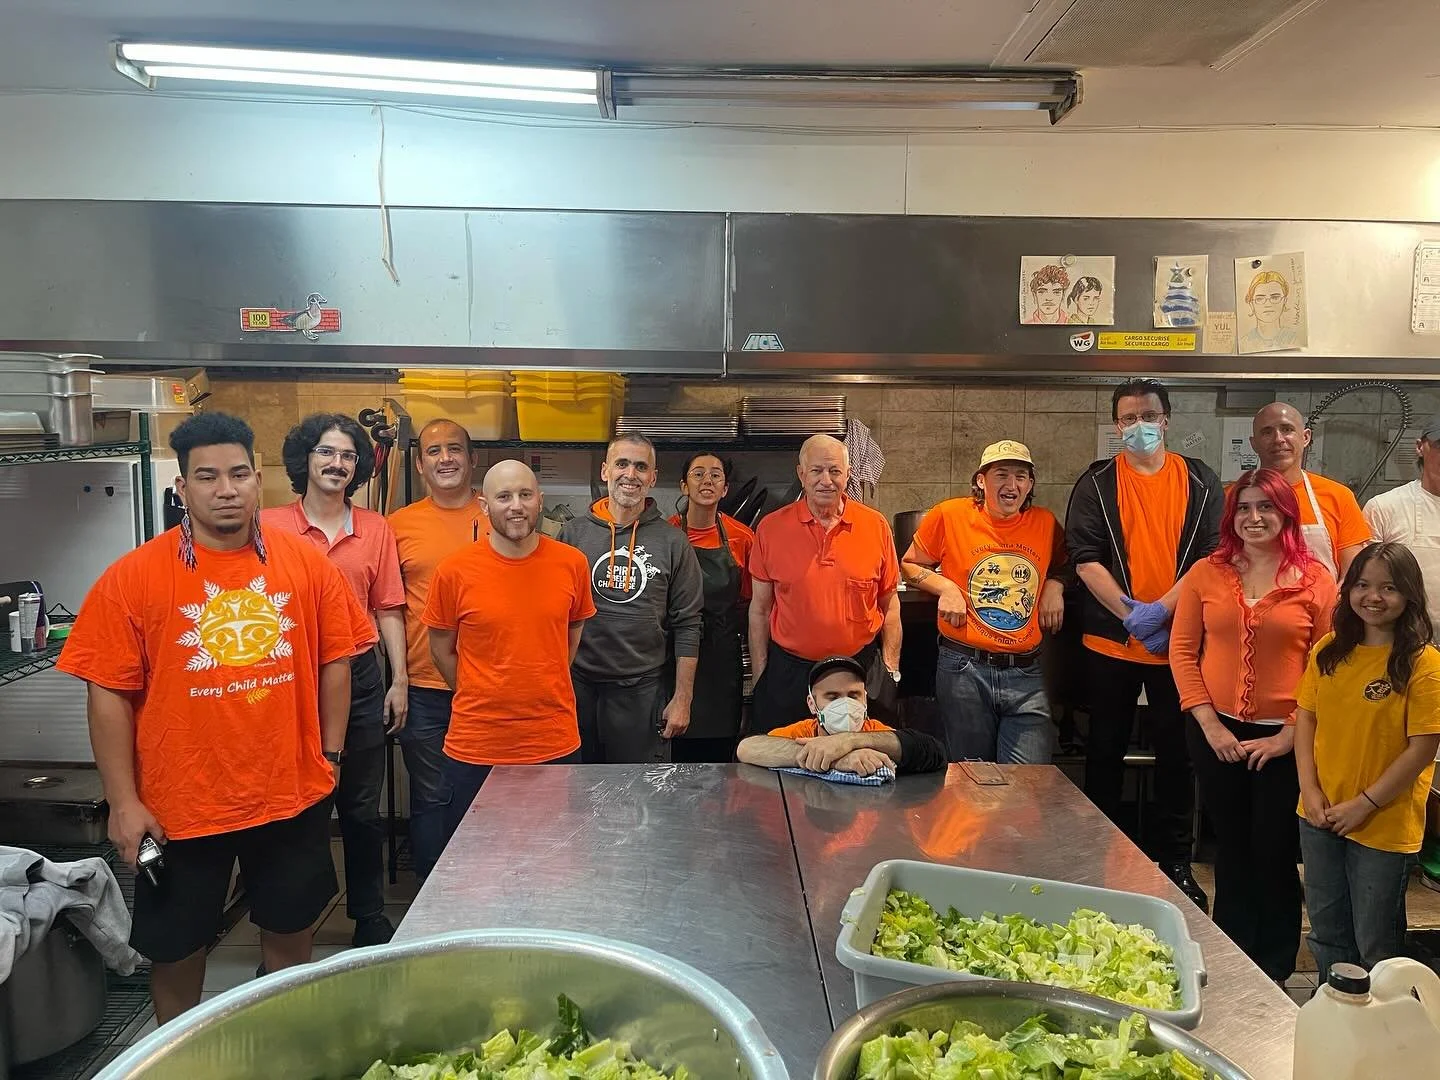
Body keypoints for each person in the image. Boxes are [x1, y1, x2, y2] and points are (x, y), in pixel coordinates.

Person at [56, 413, 373, 1024]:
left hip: (290, 795)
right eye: (207, 477)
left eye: (237, 475)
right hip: (180, 807)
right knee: (177, 950)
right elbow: (109, 696)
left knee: (291, 934)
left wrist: (329, 756)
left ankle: (288, 1052)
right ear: (183, 488)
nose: (224, 489)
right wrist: (124, 802)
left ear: (258, 480)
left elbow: (338, 659)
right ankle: (182, 1056)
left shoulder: (305, 565)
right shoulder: (134, 577)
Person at [1169, 468, 1337, 982]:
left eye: (1266, 506)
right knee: (1232, 850)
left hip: (1289, 740)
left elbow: (1327, 663)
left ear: (1287, 513)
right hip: (1215, 733)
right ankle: (1232, 964)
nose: (1254, 517)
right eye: (1244, 507)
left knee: (1275, 852)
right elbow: (1182, 652)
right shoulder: (1207, 573)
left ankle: (1276, 968)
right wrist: (1210, 726)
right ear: (1232, 516)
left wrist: (1290, 732)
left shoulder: (1316, 580)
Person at [1065, 378, 1223, 911]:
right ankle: (1099, 855)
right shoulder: (1096, 483)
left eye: (1148, 416)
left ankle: (1174, 862)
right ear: (1117, 426)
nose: (1139, 426)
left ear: (1167, 419)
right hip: (1110, 643)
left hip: (1179, 644)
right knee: (1104, 750)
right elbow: (1085, 559)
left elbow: (1210, 555)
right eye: (1129, 418)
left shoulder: (1200, 482)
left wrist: (1165, 614)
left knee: (1177, 755)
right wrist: (1133, 615)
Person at [261, 412, 406, 948]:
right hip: (290, 680)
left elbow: (388, 607)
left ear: (359, 466)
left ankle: (367, 916)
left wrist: (400, 681)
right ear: (306, 458)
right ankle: (290, 927)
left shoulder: (375, 530)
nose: (337, 463)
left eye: (347, 455)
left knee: (361, 807)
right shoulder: (268, 527)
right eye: (327, 452)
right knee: (297, 807)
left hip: (362, 675)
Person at [424, 460, 595, 839]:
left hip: (553, 743)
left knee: (552, 862)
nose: (516, 505)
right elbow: (440, 650)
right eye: (504, 497)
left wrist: (541, 679)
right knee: (475, 870)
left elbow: (572, 633)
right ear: (485, 506)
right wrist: (481, 689)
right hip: (476, 746)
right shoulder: (454, 571)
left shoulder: (572, 564)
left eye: (525, 494)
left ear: (539, 500)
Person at [1294, 541, 1440, 975]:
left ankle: (1382, 1032)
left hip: (1382, 823)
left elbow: (1423, 747)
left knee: (1375, 943)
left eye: (1388, 588)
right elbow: (1306, 720)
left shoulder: (1422, 663)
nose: (1373, 597)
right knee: (1326, 934)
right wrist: (1310, 790)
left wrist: (1364, 804)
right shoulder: (1329, 650)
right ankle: (1333, 1021)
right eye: (1362, 585)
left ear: (1409, 595)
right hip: (1320, 816)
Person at [901, 440, 1066, 764]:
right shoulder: (950, 515)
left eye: (1021, 476)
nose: (1012, 484)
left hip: (1027, 672)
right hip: (964, 670)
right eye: (1001, 474)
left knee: (1029, 788)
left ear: (1030, 484)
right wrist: (946, 588)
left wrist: (1056, 585)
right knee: (971, 785)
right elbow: (910, 564)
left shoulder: (1045, 523)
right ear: (981, 480)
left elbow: (1067, 563)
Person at [560, 434, 703, 763]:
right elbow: (553, 617)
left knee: (639, 800)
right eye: (622, 464)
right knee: (574, 794)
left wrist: (683, 697)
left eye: (641, 466)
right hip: (577, 689)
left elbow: (689, 624)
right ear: (605, 471)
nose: (630, 474)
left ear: (652, 478)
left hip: (643, 692)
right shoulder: (572, 535)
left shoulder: (673, 541)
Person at [387, 418, 487, 882]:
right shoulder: (399, 526)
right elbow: (386, 606)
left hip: (491, 690)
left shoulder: (500, 515)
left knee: (492, 799)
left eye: (454, 449)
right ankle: (431, 909)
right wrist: (399, 680)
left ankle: (486, 898)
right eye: (433, 451)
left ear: (472, 459)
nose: (445, 458)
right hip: (426, 689)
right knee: (432, 797)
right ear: (420, 464)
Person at [749, 434, 902, 731]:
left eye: (834, 471)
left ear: (847, 475)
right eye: (817, 471)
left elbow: (890, 605)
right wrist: (760, 674)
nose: (826, 480)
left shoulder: (875, 526)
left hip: (860, 671)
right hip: (790, 674)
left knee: (865, 760)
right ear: (801, 474)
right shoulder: (770, 528)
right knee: (780, 761)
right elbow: (759, 610)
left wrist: (890, 668)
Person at [667, 451, 754, 763]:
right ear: (683, 486)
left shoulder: (742, 537)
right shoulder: (666, 534)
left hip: (721, 661)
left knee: (718, 753)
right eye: (698, 474)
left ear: (725, 488)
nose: (707, 480)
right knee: (673, 746)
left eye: (716, 475)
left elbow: (749, 603)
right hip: (673, 656)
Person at [736, 656, 946, 775]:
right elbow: (746, 748)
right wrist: (836, 758)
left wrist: (849, 741)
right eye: (832, 696)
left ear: (865, 699)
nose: (845, 704)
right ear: (812, 703)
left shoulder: (875, 733)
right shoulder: (800, 732)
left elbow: (934, 752)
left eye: (853, 695)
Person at [1249, 401, 1371, 579]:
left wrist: (1325, 604)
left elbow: (1352, 576)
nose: (1278, 439)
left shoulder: (1339, 496)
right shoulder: (1232, 498)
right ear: (1254, 443)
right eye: (1267, 432)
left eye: (1287, 429)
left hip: (1324, 606)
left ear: (1305, 437)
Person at [1364, 418, 1440, 629]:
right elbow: (1366, 584)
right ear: (1419, 447)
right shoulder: (1384, 507)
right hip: (1402, 641)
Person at [1240, 271, 1300, 352]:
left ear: (1284, 301)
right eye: (1260, 299)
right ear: (1251, 304)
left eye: (1275, 298)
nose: (1268, 304)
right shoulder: (1244, 344)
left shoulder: (1294, 340)